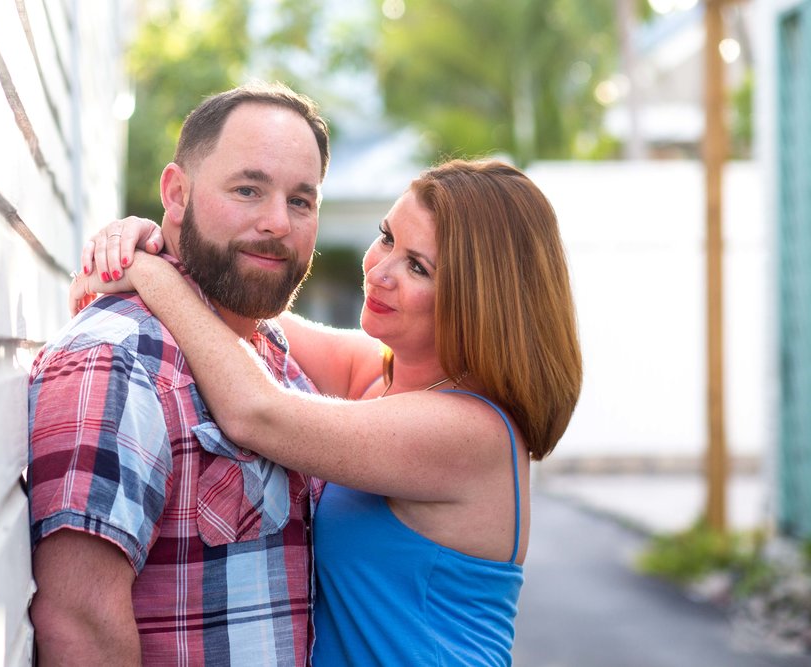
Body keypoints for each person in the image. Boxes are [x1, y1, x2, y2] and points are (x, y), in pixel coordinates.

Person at [73, 158, 583, 666]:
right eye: (386, 238)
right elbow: (238, 315)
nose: (379, 272)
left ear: (479, 301)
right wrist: (154, 241)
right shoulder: (383, 374)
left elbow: (256, 411)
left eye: (417, 266)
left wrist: (149, 275)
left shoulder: (470, 433)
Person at [27, 82, 331, 665]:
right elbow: (79, 625)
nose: (278, 223)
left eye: (301, 200)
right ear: (176, 193)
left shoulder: (274, 356)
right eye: (248, 189)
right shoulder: (119, 360)